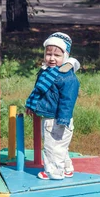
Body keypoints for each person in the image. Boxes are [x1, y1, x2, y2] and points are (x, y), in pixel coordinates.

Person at [25, 32, 80, 180]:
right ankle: (67, 168)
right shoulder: (46, 72)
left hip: (58, 119)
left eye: (57, 55)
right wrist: (32, 105)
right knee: (59, 146)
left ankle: (54, 173)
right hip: (49, 116)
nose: (52, 58)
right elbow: (38, 92)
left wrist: (63, 120)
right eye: (49, 54)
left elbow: (67, 101)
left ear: (66, 57)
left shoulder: (67, 77)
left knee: (52, 147)